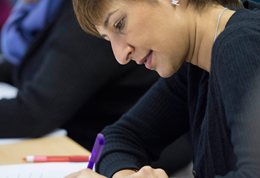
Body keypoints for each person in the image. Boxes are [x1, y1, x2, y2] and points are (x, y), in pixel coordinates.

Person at [67, 0, 260, 177]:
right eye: (108, 39)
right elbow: (120, 137)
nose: (121, 56)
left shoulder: (243, 45)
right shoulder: (195, 63)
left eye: (120, 24)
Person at [0, 0, 159, 153]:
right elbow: (23, 66)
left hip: (108, 150)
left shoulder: (89, 12)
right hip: (94, 144)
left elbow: (36, 112)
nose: (121, 55)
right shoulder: (42, 11)